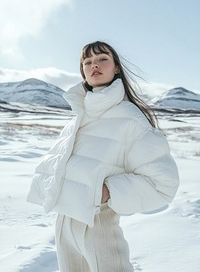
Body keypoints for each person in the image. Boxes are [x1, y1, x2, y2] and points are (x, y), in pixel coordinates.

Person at [27, 41, 179, 272]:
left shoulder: (131, 119)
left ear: (116, 67)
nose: (94, 65)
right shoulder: (78, 116)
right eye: (87, 62)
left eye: (102, 59)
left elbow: (163, 184)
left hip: (98, 221)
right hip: (64, 220)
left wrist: (107, 192)